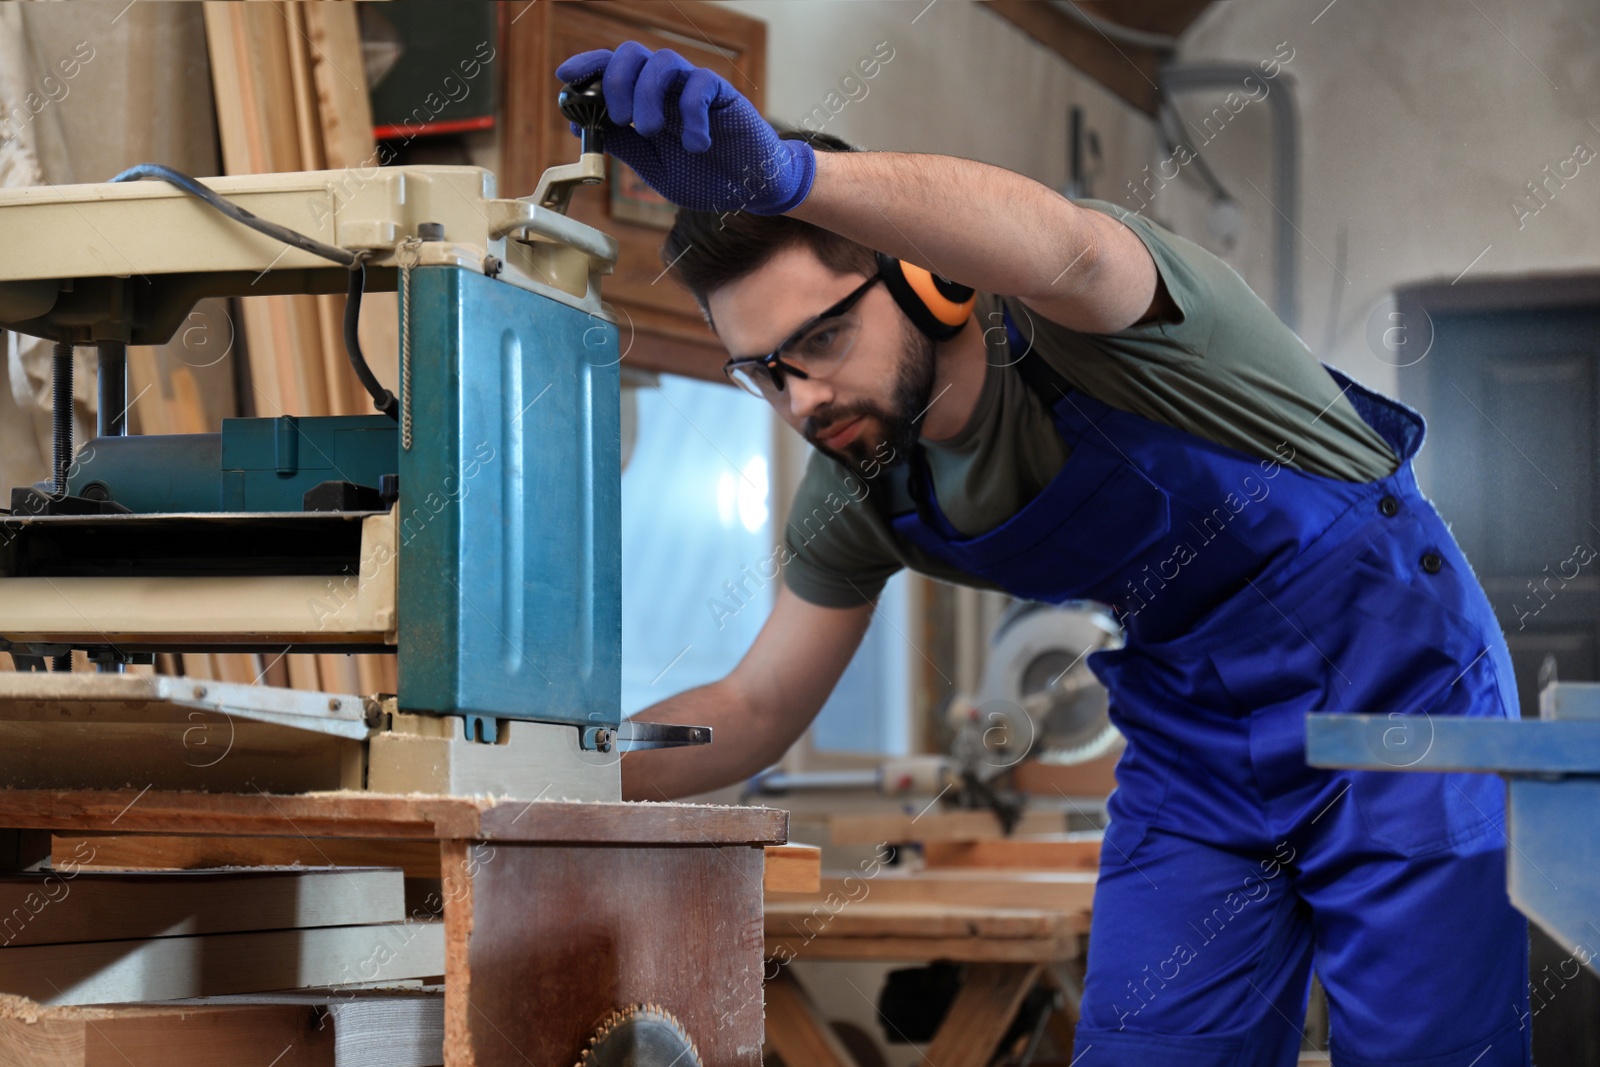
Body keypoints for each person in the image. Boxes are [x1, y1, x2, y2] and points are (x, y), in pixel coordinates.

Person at [554, 42, 1531, 1066]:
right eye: (766, 373)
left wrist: (802, 183)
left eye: (823, 343)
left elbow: (1067, 247)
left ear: (931, 284)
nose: (802, 401)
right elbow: (756, 706)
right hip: (1197, 740)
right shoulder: (861, 480)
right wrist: (543, 766)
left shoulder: (1094, 325)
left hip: (1397, 705)